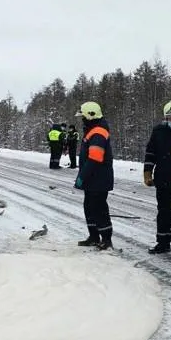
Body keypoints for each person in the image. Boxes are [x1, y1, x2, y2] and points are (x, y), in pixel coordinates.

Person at [143, 100, 171, 254]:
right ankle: (163, 242)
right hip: (163, 179)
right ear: (165, 117)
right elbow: (151, 152)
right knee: (163, 212)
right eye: (170, 117)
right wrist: (147, 172)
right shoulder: (159, 131)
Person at [74, 101, 114, 250]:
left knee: (99, 208)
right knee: (89, 207)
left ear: (90, 116)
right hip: (93, 178)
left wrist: (82, 176)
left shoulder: (98, 132)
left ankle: (106, 239)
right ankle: (94, 236)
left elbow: (95, 158)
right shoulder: (92, 130)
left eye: (83, 116)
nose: (81, 119)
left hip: (99, 178)